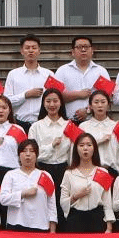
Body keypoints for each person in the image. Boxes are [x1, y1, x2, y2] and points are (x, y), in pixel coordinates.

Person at [28, 89, 71, 228]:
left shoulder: (69, 125)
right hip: (43, 168)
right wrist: (51, 146)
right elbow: (33, 154)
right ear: (43, 103)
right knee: (43, 202)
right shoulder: (36, 127)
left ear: (61, 103)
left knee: (62, 203)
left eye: (55, 101)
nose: (52, 104)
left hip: (64, 170)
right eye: (48, 101)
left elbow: (73, 151)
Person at [54, 35, 111, 123]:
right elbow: (55, 96)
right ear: (72, 52)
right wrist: (78, 95)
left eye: (86, 47)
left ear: (92, 51)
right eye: (79, 47)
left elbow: (107, 96)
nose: (83, 50)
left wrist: (88, 111)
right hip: (69, 122)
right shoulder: (62, 71)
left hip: (95, 122)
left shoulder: (101, 71)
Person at [4, 34, 55, 132]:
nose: (31, 50)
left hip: (43, 124)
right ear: (22, 51)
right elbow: (6, 102)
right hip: (19, 123)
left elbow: (55, 99)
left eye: (34, 48)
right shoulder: (13, 74)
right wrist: (25, 95)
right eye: (27, 48)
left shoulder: (49, 74)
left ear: (39, 51)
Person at [79, 89, 119, 175]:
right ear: (90, 106)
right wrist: (98, 141)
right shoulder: (83, 127)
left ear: (108, 105)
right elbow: (79, 150)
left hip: (112, 171)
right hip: (88, 171)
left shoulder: (116, 126)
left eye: (103, 102)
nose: (100, 105)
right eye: (96, 102)